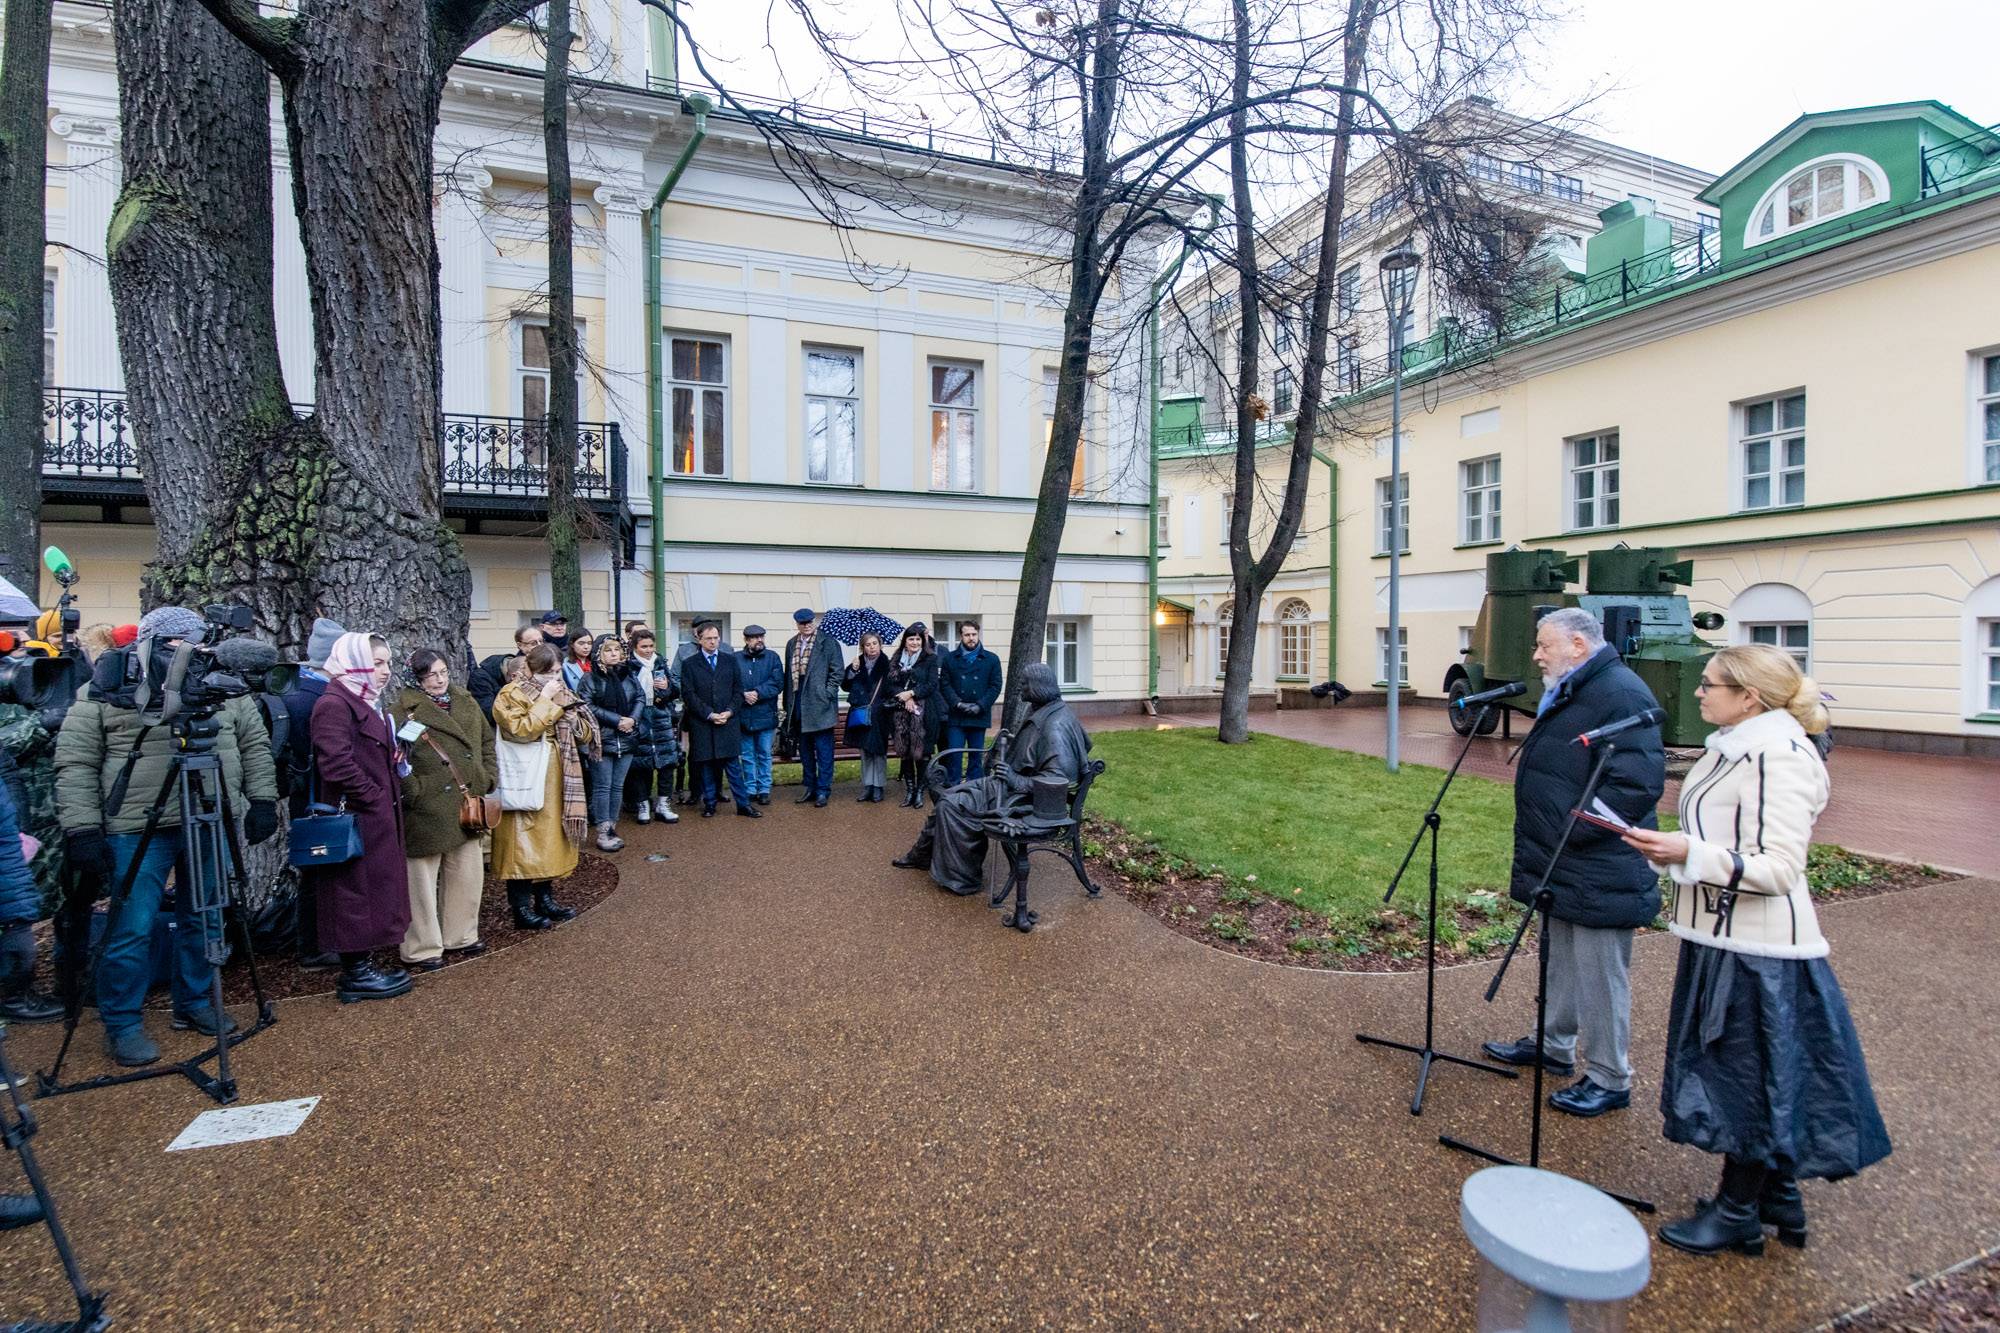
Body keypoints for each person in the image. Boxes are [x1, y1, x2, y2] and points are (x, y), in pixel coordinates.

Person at [1619, 645, 1889, 1257]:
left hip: (1759, 950)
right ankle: (1778, 1198)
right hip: (1727, 937)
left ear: (1750, 698)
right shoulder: (1742, 746)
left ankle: (1739, 1210)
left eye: (1711, 684)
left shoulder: (1777, 755)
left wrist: (1685, 853)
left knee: (1747, 1076)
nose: (1698, 691)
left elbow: (1779, 868)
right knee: (1768, 1072)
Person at [54, 606, 281, 1065]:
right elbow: (75, 762)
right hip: (136, 825)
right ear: (151, 644)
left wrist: (261, 801)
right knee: (130, 928)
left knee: (206, 915)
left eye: (195, 642)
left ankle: (195, 1002)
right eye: (179, 643)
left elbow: (254, 743)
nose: (191, 653)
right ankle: (122, 1022)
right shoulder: (106, 686)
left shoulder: (221, 684)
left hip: (208, 814)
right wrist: (82, 829)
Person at [1480, 608, 1666, 1119]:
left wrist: (1576, 830)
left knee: (1601, 972)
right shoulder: (1577, 687)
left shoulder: (1620, 693)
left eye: (1544, 645)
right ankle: (1553, 1045)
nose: (1537, 654)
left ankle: (1610, 1076)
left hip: (1598, 861)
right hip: (1561, 856)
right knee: (1559, 956)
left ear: (1578, 646)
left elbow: (1636, 783)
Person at [893, 663, 1090, 894]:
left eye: (1024, 684)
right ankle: (923, 855)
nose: (1020, 689)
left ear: (1037, 686)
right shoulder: (1043, 709)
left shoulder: (1055, 726)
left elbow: (1057, 781)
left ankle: (962, 879)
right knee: (950, 796)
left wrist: (1015, 779)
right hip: (1005, 785)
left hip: (1019, 796)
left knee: (950, 805)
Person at [308, 633, 415, 1004]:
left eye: (386, 662)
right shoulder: (335, 703)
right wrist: (373, 797)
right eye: (377, 662)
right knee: (353, 891)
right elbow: (336, 763)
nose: (384, 671)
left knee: (369, 889)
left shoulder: (363, 700)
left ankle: (364, 962)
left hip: (373, 814)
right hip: (356, 816)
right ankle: (356, 971)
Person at [392, 649, 496, 973]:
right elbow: (397, 760)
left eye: (443, 672)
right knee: (420, 880)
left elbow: (486, 742)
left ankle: (460, 935)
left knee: (466, 871)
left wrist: (487, 776)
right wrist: (414, 790)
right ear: (416, 679)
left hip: (466, 800)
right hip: (426, 806)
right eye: (431, 675)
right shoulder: (401, 711)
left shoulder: (464, 700)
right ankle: (422, 947)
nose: (439, 680)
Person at [491, 642, 596, 926]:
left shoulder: (560, 691)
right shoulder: (510, 693)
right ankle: (521, 907)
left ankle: (545, 899)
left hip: (559, 772)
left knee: (551, 840)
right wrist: (547, 702)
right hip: (526, 775)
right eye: (548, 672)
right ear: (531, 669)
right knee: (521, 842)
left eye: (558, 671)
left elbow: (585, 733)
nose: (554, 677)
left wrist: (573, 717)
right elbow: (518, 730)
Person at [280, 615, 347, 968]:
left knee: (317, 870)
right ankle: (316, 945)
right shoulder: (314, 698)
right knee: (320, 869)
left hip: (310, 793)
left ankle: (318, 943)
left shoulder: (299, 692)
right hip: (316, 795)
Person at [681, 622, 758, 819]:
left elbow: (738, 690)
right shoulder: (690, 664)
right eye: (708, 638)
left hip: (728, 721)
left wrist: (729, 712)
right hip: (703, 722)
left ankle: (743, 804)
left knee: (733, 766)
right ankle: (710, 804)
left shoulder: (730, 661)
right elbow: (689, 695)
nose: (713, 642)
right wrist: (709, 714)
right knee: (706, 765)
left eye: (716, 638)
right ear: (699, 639)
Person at [781, 608, 845, 808]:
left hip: (820, 703)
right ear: (797, 624)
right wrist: (787, 703)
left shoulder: (828, 642)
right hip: (798, 702)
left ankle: (823, 790)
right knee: (806, 751)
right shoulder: (792, 643)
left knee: (824, 751)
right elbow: (787, 674)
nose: (807, 626)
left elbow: (837, 672)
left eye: (809, 622)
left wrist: (828, 693)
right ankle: (810, 787)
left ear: (814, 622)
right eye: (802, 623)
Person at [585, 635, 644, 851]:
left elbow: (640, 697)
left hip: (626, 739)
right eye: (608, 650)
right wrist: (616, 720)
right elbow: (587, 705)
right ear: (599, 653)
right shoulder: (590, 679)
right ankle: (602, 830)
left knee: (617, 786)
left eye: (617, 649)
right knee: (603, 786)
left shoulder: (628, 676)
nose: (613, 654)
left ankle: (612, 826)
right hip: (602, 739)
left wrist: (632, 720)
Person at [624, 626, 679, 826]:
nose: (648, 650)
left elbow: (676, 689)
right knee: (641, 763)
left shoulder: (660, 662)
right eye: (643, 647)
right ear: (635, 647)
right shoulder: (627, 665)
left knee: (667, 762)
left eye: (650, 646)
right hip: (639, 716)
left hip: (661, 716)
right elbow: (625, 692)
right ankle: (643, 804)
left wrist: (667, 688)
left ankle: (664, 804)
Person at [936, 620, 1003, 784]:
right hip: (957, 716)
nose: (971, 638)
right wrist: (958, 703)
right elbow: (945, 685)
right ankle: (953, 789)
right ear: (961, 636)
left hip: (979, 715)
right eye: (967, 635)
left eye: (974, 634)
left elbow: (995, 686)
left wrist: (980, 705)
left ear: (978, 634)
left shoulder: (992, 659)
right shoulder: (950, 659)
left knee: (976, 756)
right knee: (954, 755)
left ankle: (974, 790)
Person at [884, 624, 941, 809]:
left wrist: (912, 693)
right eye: (911, 639)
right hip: (901, 713)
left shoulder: (930, 658)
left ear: (922, 640)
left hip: (924, 713)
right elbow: (890, 685)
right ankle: (909, 791)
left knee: (923, 753)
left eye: (918, 639)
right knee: (905, 753)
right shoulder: (895, 659)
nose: (915, 642)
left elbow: (932, 684)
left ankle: (919, 792)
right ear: (905, 641)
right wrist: (904, 696)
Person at [734, 625, 784, 806]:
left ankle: (764, 789)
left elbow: (777, 683)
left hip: (765, 714)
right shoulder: (736, 659)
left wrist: (757, 692)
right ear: (746, 640)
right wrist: (743, 694)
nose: (759, 640)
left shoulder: (772, 658)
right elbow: (732, 683)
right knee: (747, 755)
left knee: (764, 754)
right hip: (743, 715)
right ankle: (750, 788)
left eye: (761, 636)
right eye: (755, 637)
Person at [842, 632, 891, 802]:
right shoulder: (857, 663)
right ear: (863, 647)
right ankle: (868, 785)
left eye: (874, 643)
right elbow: (846, 686)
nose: (871, 647)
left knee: (878, 751)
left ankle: (878, 786)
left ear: (880, 645)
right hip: (861, 714)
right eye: (868, 644)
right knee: (865, 751)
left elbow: (892, 689)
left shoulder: (888, 665)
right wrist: (852, 671)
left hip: (879, 715)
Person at [473, 623, 542, 720]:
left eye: (541, 641)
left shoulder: (535, 667)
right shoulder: (481, 677)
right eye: (533, 643)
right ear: (520, 645)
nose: (539, 647)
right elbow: (489, 713)